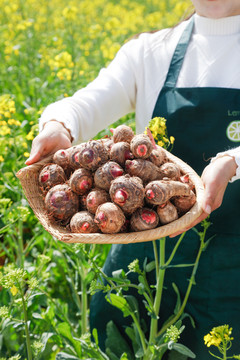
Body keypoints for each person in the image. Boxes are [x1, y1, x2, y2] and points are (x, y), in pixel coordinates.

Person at [26, 0, 240, 358]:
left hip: (228, 265)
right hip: (139, 252)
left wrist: (233, 161)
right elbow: (87, 102)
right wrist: (59, 125)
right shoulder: (151, 51)